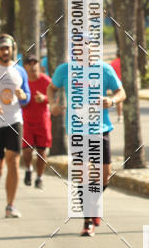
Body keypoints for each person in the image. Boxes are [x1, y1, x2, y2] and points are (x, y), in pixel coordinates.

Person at [48, 53, 126, 237]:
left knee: (104, 176)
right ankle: (88, 221)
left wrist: (111, 101)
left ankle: (94, 202)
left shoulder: (104, 69)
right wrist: (52, 104)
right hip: (77, 130)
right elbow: (51, 89)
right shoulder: (64, 70)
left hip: (100, 129)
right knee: (83, 174)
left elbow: (121, 92)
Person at [0, 34, 30, 217]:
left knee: (14, 161)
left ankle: (10, 206)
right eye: (2, 48)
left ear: (12, 49)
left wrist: (23, 96)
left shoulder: (20, 71)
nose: (5, 51)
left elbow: (27, 95)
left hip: (14, 120)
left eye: (7, 48)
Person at [21, 55, 52, 189]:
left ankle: (39, 178)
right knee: (27, 151)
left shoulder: (46, 80)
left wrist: (44, 98)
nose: (33, 66)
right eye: (29, 63)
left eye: (35, 63)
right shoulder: (22, 81)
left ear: (38, 65)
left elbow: (54, 98)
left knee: (41, 151)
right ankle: (28, 169)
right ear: (25, 66)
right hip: (26, 122)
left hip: (42, 121)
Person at [109, 50, 123, 122]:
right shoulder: (126, 62)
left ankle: (119, 116)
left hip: (116, 83)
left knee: (119, 100)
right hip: (126, 82)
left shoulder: (113, 63)